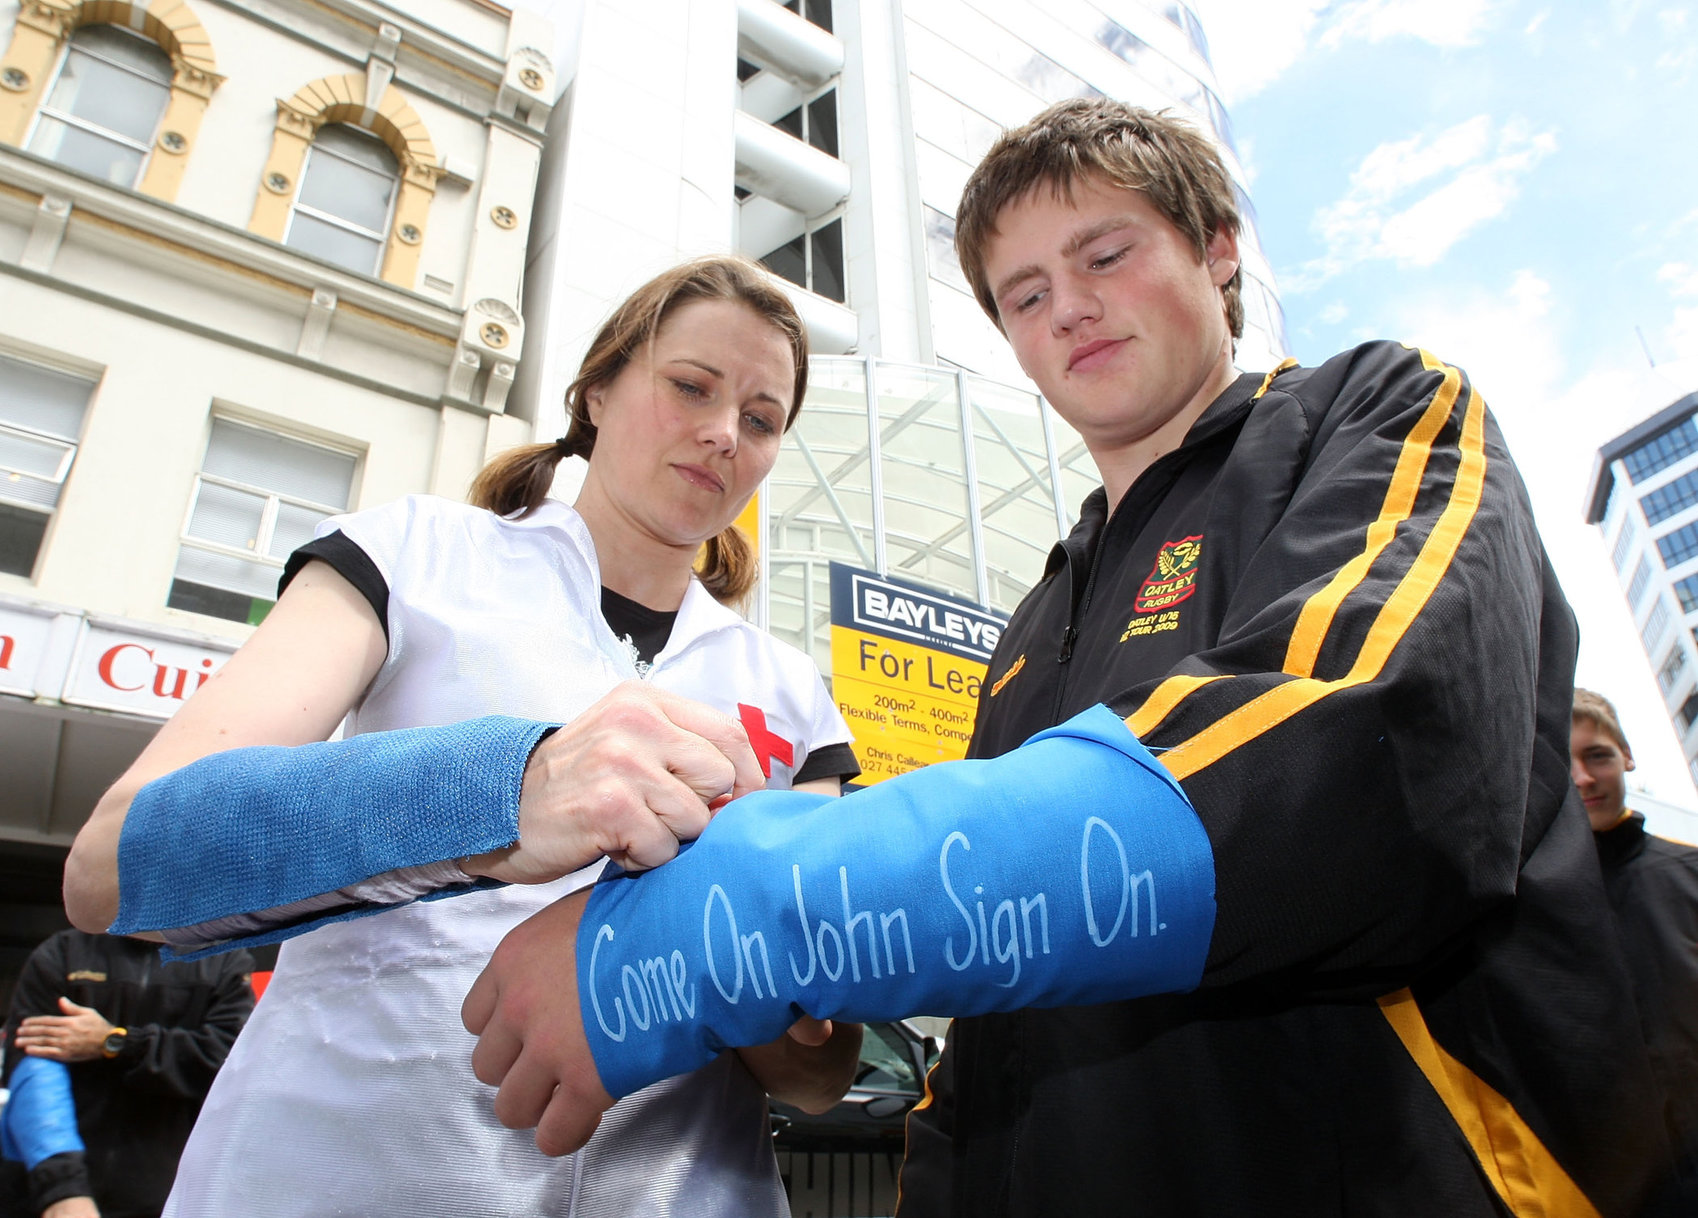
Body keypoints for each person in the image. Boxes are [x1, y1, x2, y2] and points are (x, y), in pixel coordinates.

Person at [438, 99, 1674, 1217]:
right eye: (1023, 294)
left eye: (1105, 254)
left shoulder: (1377, 412)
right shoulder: (1035, 626)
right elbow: (994, 1034)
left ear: (1218, 252)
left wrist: (727, 919)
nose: (1066, 307)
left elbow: (1350, 754)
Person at [61, 256, 864, 1217]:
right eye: (691, 385)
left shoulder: (794, 696)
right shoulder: (413, 555)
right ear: (597, 391)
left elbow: (818, 1076)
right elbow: (114, 864)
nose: (724, 433)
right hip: (343, 1177)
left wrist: (752, 954)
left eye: (764, 419)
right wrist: (503, 793)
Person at [1, 929, 254, 1218]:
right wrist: (63, 1190)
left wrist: (117, 1042)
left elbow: (228, 1064)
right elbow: (33, 1074)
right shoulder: (63, 952)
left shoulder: (223, 960)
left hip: (166, 1197)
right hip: (49, 1197)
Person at [1572, 688, 1698, 1205]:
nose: (1582, 779)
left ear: (1626, 756)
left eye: (1596, 755)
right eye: (1564, 761)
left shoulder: (1689, 872)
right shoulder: (1524, 906)